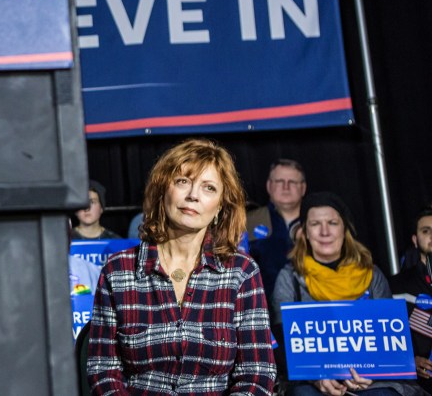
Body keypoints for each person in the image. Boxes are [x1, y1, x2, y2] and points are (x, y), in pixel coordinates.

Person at [85, 138, 275, 395]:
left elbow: (257, 373)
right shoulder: (118, 270)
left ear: (220, 206)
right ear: (163, 191)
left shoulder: (241, 272)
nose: (193, 195)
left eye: (208, 188)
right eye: (183, 181)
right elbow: (102, 368)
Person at [272, 193, 408, 396]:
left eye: (333, 223)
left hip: (372, 380)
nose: (324, 231)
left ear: (345, 230)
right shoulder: (289, 277)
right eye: (316, 224)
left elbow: (391, 342)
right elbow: (282, 343)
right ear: (305, 232)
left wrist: (372, 373)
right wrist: (317, 376)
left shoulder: (371, 274)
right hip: (314, 381)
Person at [246, 158, 307, 297]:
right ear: (269, 186)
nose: (286, 187)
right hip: (262, 308)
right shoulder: (248, 222)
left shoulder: (318, 223)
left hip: (311, 309)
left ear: (303, 188)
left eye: (292, 182)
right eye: (279, 181)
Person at [390, 205, 432, 394]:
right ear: (415, 240)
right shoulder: (397, 286)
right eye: (426, 231)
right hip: (418, 384)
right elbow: (385, 338)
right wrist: (409, 361)